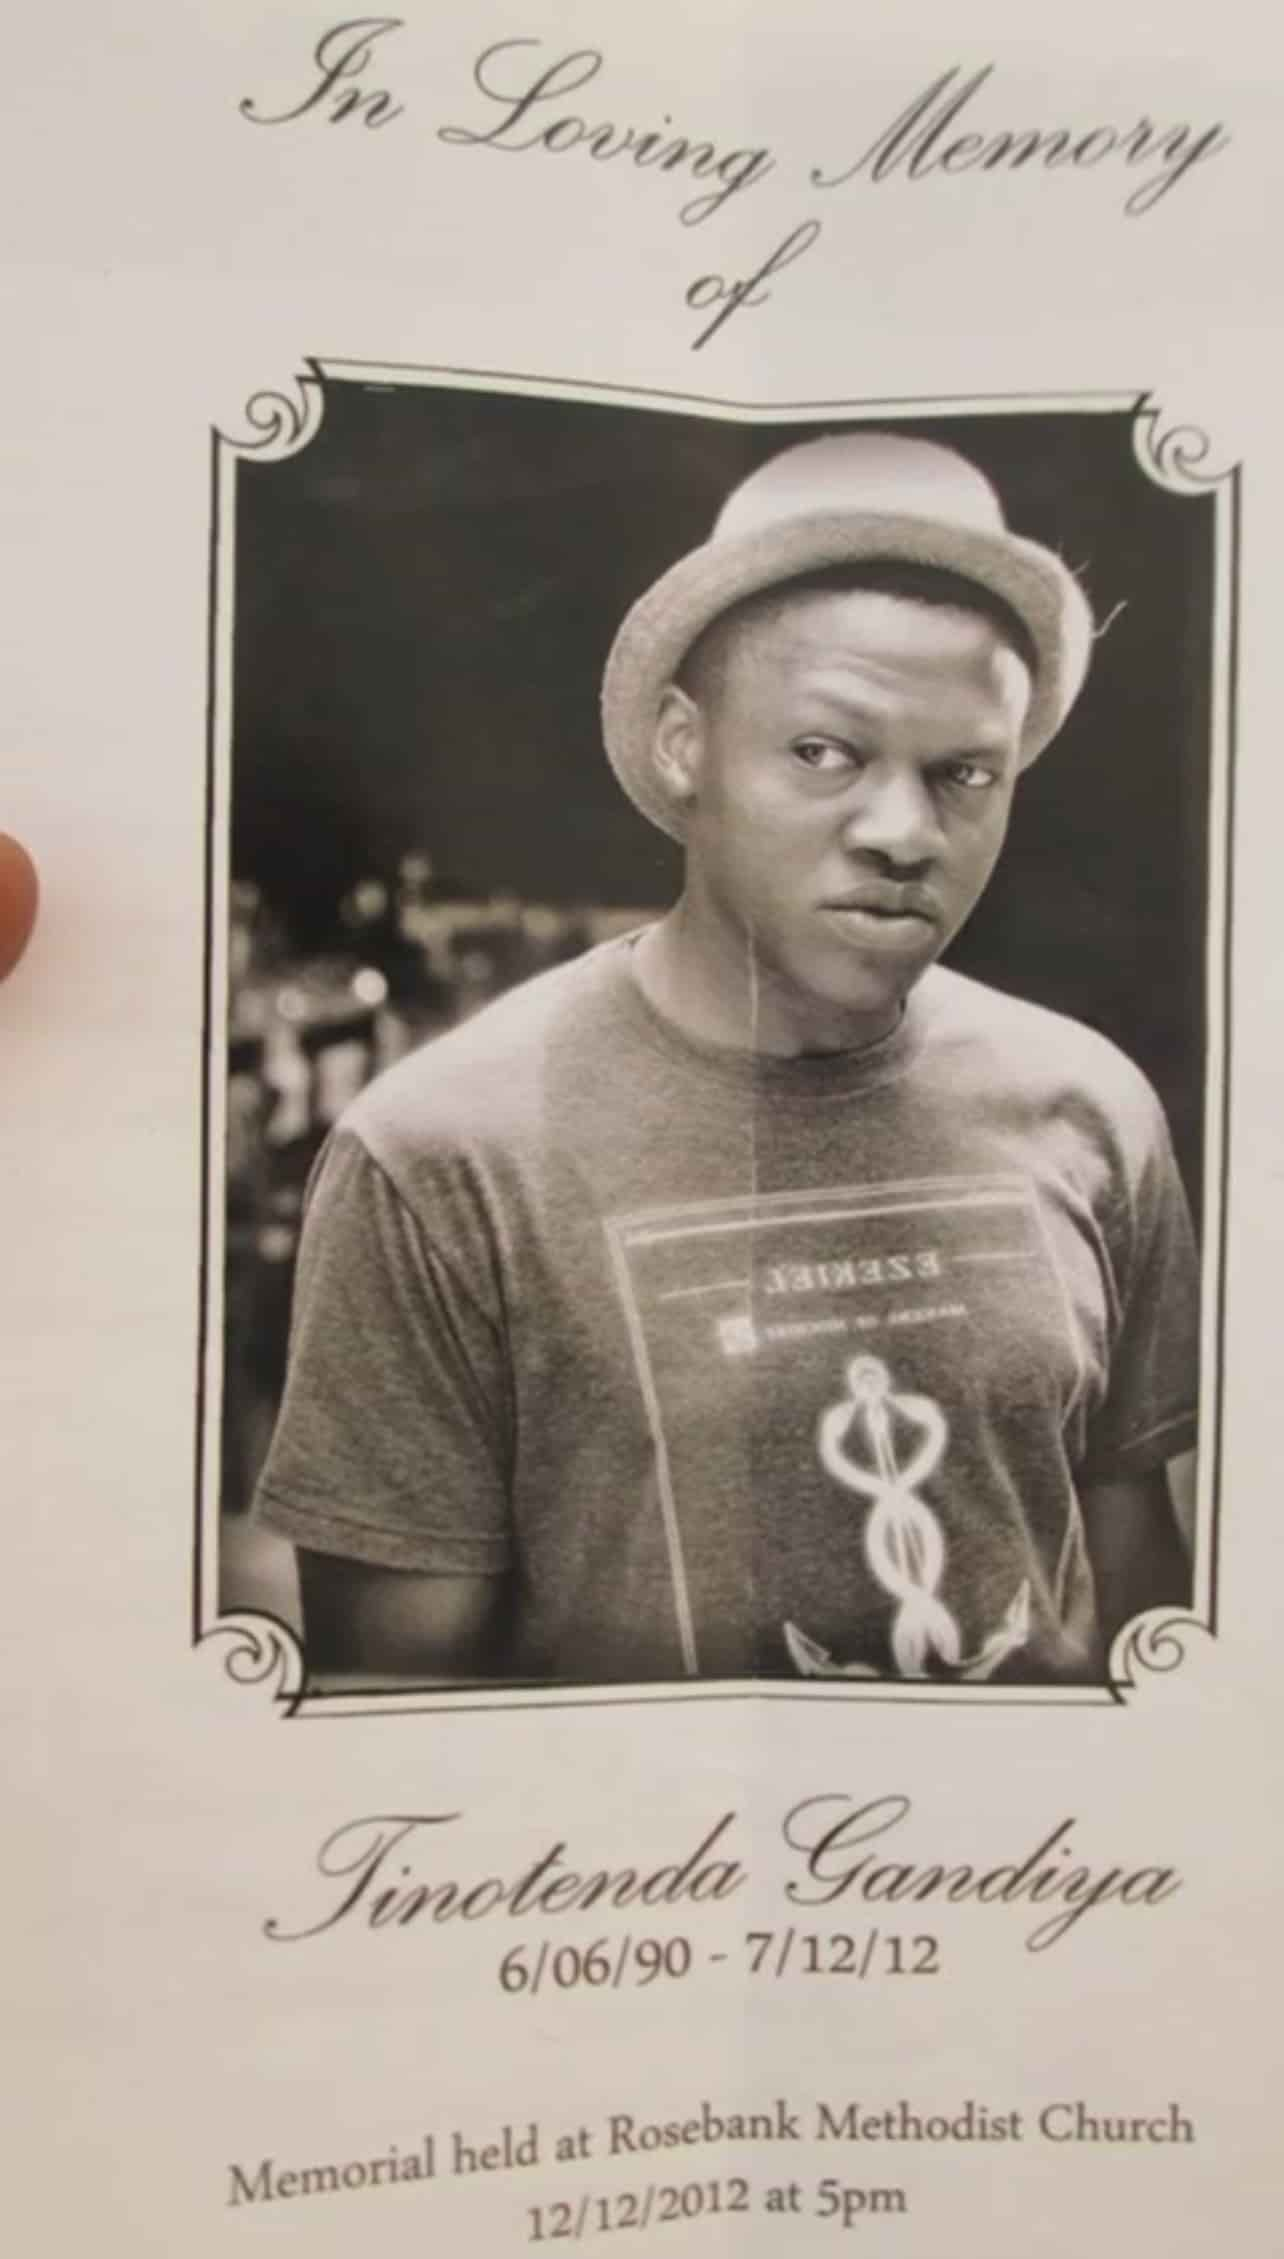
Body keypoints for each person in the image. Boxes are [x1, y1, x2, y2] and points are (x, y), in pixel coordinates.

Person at [253, 432, 1198, 1686]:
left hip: (1028, 1871)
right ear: (683, 746)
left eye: (965, 772)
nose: (904, 833)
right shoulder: (439, 1154)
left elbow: (1142, 1615)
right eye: (825, 752)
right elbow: (397, 1709)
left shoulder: (1089, 1105)